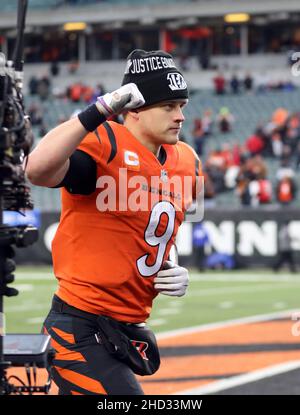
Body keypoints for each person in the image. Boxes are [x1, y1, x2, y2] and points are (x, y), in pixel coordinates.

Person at [26, 49, 202, 395]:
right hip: (79, 324)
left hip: (126, 328)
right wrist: (97, 111)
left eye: (182, 105)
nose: (180, 116)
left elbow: (158, 229)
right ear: (133, 109)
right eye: (168, 106)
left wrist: (173, 262)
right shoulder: (104, 142)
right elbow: (36, 170)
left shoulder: (186, 160)